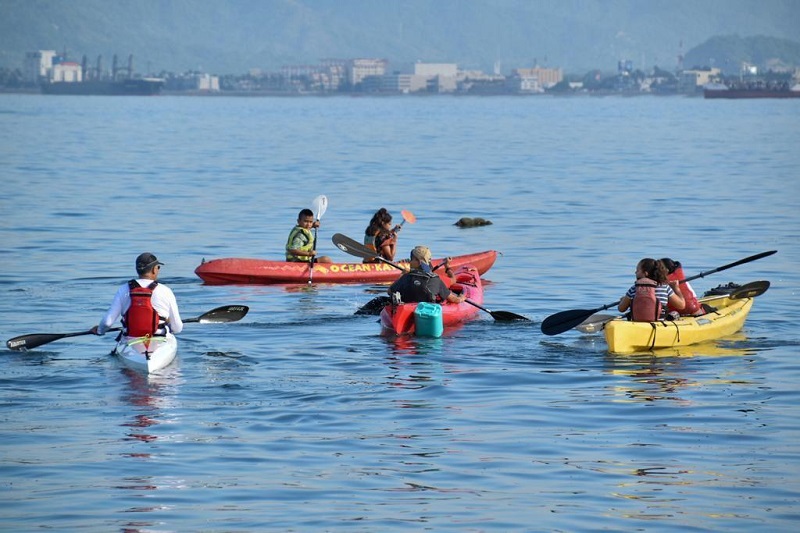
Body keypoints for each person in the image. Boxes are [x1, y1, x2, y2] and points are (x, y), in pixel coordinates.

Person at [91, 253, 183, 338]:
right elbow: (177, 328)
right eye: (158, 267)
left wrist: (99, 330)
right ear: (154, 270)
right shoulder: (166, 290)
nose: (158, 270)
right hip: (159, 339)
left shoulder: (123, 289)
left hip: (131, 339)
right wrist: (168, 324)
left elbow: (107, 323)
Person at [388, 245, 465, 305]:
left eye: (412, 259)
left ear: (419, 262)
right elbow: (454, 299)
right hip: (427, 311)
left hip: (406, 309)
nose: (410, 262)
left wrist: (402, 275)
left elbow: (390, 291)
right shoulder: (435, 278)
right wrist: (461, 298)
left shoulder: (405, 277)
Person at [618, 258, 685, 322]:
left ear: (645, 273)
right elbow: (681, 305)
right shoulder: (665, 287)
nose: (635, 272)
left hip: (637, 323)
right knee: (674, 313)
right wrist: (676, 288)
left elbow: (621, 309)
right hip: (659, 324)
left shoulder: (634, 288)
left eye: (637, 270)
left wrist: (623, 300)